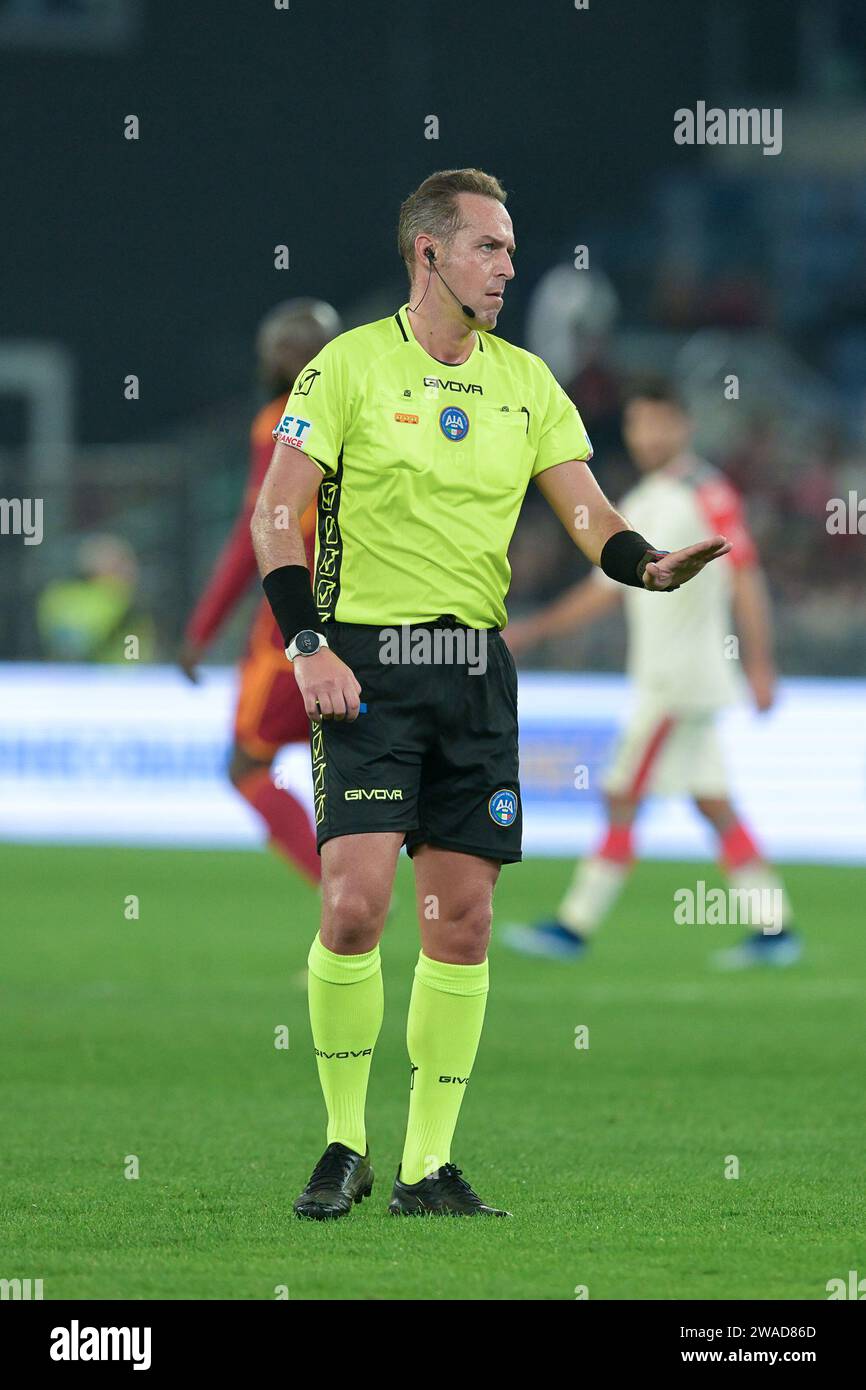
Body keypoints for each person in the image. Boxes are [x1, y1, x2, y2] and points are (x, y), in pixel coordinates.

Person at [251, 169, 730, 1220]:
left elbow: (588, 515)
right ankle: (343, 1142)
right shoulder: (347, 370)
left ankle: (426, 1166)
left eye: (509, 251)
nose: (510, 268)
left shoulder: (527, 382)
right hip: (364, 668)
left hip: (472, 675)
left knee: (459, 924)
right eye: (490, 249)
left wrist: (642, 562)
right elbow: (276, 520)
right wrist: (307, 645)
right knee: (353, 904)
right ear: (428, 254)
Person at [503, 377, 800, 969]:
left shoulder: (706, 492)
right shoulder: (642, 501)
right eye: (638, 424)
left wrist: (762, 666)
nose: (647, 435)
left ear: (683, 426)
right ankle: (775, 929)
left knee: (620, 794)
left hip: (677, 682)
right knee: (713, 803)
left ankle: (573, 926)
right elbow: (601, 595)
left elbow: (745, 574)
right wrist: (530, 631)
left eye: (659, 423)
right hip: (677, 682)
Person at [179, 300, 342, 887]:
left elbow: (254, 536)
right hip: (371, 626)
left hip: (292, 634)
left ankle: (339, 887)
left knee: (246, 767)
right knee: (354, 774)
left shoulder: (280, 422)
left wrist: (202, 629)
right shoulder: (368, 416)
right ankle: (360, 887)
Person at [38, 533, 155, 662]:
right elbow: (70, 645)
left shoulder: (137, 603)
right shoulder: (63, 597)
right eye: (121, 563)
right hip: (85, 678)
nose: (131, 569)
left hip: (134, 678)